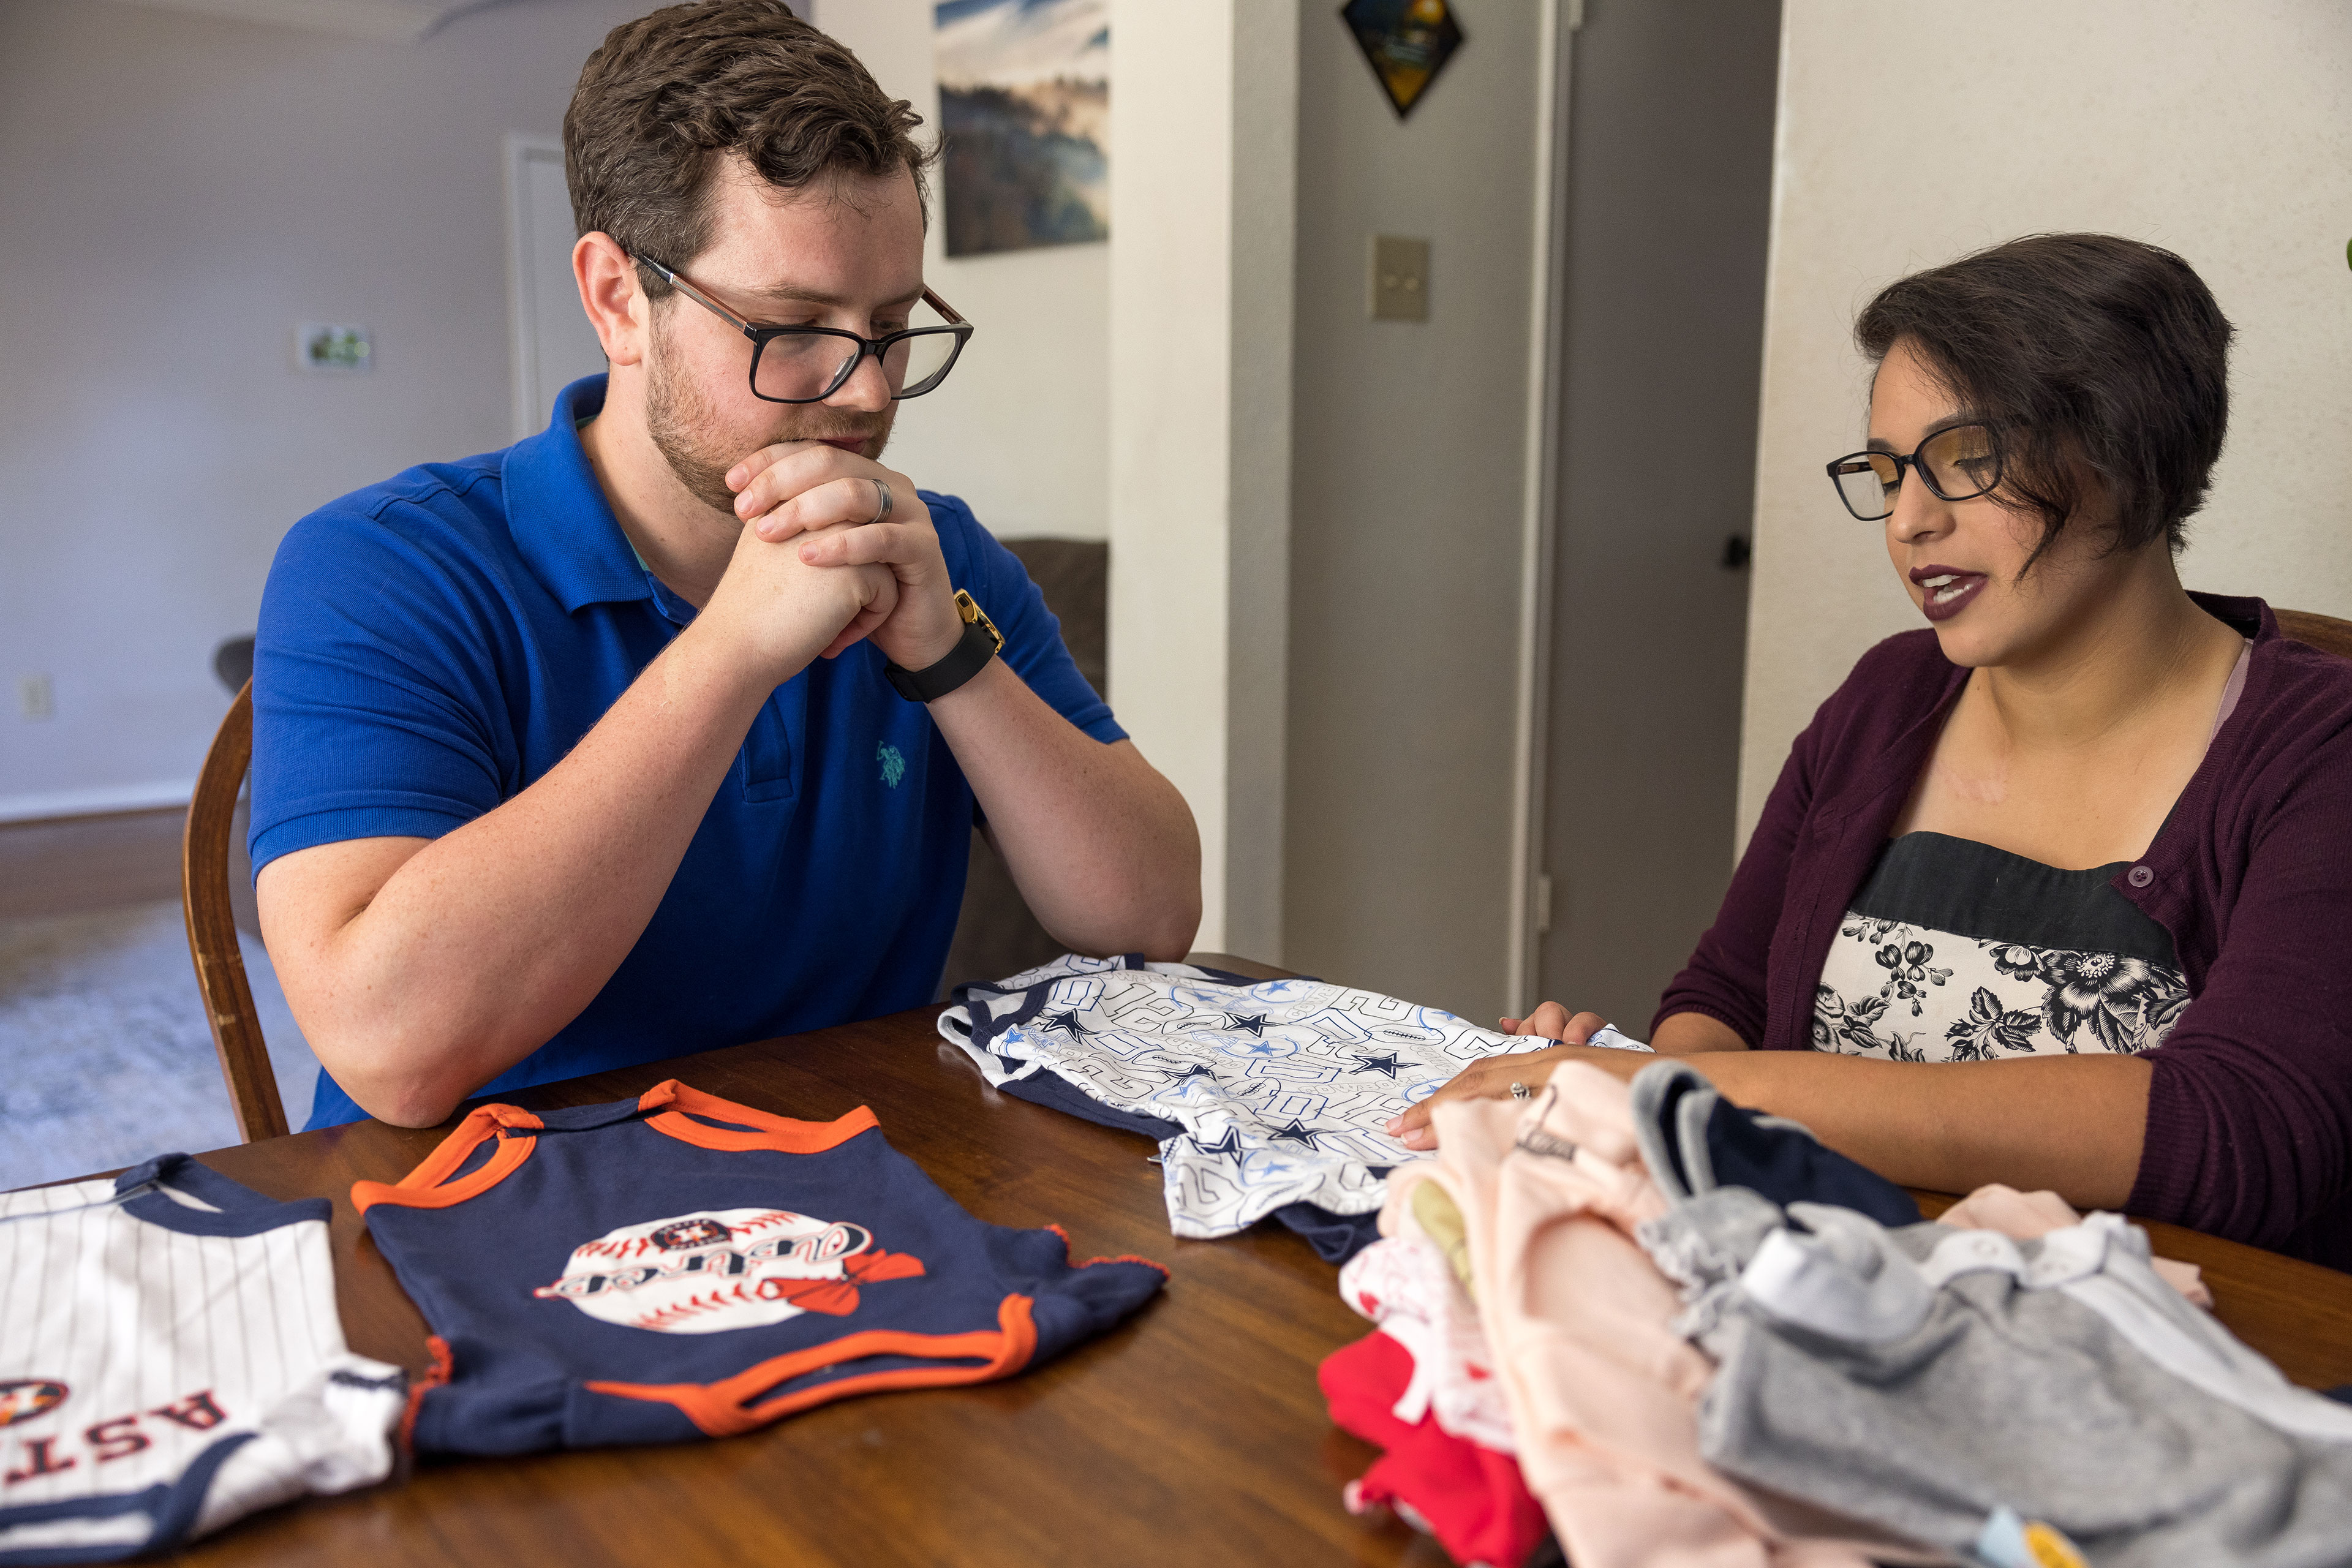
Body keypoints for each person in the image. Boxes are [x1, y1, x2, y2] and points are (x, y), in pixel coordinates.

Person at [250, 1, 1199, 1131]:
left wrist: (951, 660)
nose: (868, 391)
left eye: (892, 325)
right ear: (618, 299)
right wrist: (734, 651)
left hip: (865, 1209)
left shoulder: (935, 556)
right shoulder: (382, 567)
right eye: (790, 327)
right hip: (483, 1231)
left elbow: (1151, 915)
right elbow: (388, 1051)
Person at [1396, 233, 2352, 1270]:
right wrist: (1638, 1110)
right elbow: (1724, 1001)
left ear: (2129, 456)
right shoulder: (1886, 698)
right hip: (1820, 1306)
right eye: (1890, 471)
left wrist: (1688, 1094)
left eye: (1966, 459)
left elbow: (2246, 1132)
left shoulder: (2318, 750)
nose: (1908, 521)